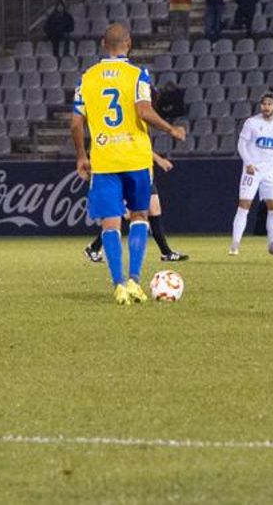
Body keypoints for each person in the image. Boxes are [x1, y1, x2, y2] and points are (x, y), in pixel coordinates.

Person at [70, 23, 187, 305]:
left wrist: (81, 156)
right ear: (129, 44)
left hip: (105, 159)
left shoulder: (87, 78)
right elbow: (143, 111)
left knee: (110, 222)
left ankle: (119, 285)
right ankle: (135, 280)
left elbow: (75, 122)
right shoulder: (137, 75)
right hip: (135, 157)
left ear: (102, 44)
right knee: (139, 216)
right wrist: (170, 129)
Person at [229, 93, 273, 256]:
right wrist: (248, 163)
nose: (266, 107)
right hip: (252, 171)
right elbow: (241, 145)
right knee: (244, 205)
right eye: (264, 104)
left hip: (269, 173)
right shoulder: (252, 123)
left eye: (269, 104)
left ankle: (272, 244)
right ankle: (235, 244)